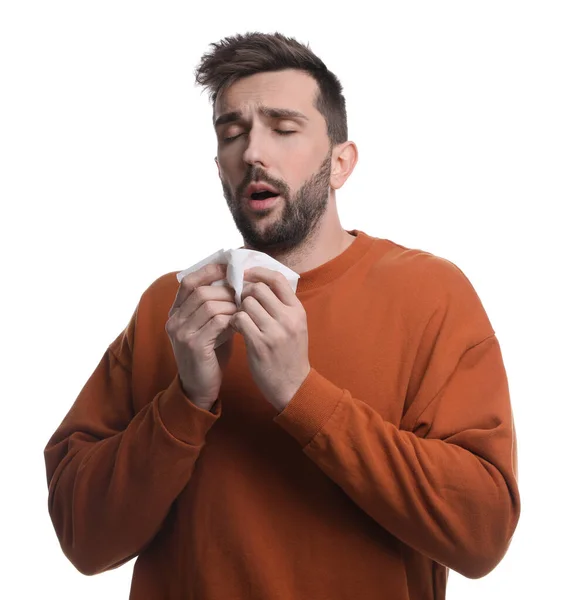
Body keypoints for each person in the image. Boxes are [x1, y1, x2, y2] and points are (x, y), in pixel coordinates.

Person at [44, 31, 520, 600]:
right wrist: (186, 402)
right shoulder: (167, 311)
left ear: (341, 163)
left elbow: (481, 535)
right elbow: (84, 539)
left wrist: (302, 394)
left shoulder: (431, 295)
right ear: (219, 165)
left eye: (284, 128)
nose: (252, 153)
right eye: (232, 134)